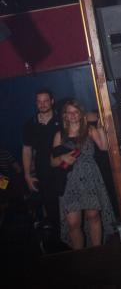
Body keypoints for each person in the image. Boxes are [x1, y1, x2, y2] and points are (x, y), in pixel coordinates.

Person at [51, 99, 115, 249]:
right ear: (65, 115)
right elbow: (52, 162)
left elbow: (104, 147)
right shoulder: (60, 135)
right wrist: (62, 158)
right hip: (69, 181)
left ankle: (97, 251)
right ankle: (80, 256)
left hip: (90, 177)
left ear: (81, 114)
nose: (73, 115)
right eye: (69, 112)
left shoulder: (89, 130)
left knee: (93, 216)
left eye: (76, 112)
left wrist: (100, 128)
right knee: (73, 223)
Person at [22, 88, 61, 230]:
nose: (42, 104)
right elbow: (27, 150)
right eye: (39, 102)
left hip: (63, 167)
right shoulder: (30, 124)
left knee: (68, 204)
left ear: (52, 101)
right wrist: (27, 175)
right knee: (50, 206)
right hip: (43, 169)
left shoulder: (62, 119)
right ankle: (57, 236)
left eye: (45, 101)